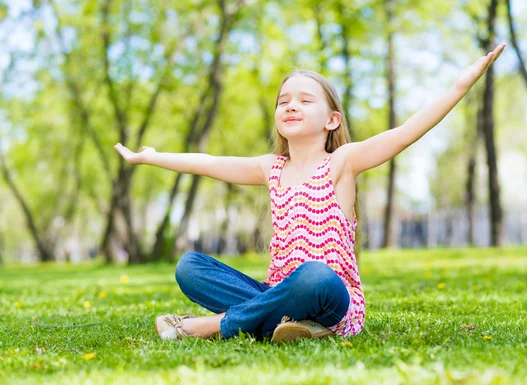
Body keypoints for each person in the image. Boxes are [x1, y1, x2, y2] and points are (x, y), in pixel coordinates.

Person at [114, 43, 506, 343]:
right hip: (278, 294)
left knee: (313, 276)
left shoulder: (342, 163)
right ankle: (292, 326)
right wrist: (153, 157)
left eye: (304, 100)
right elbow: (210, 162)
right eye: (284, 101)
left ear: (331, 119)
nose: (291, 106)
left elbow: (404, 134)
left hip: (329, 296)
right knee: (190, 268)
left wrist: (460, 85)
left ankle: (215, 326)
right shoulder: (271, 169)